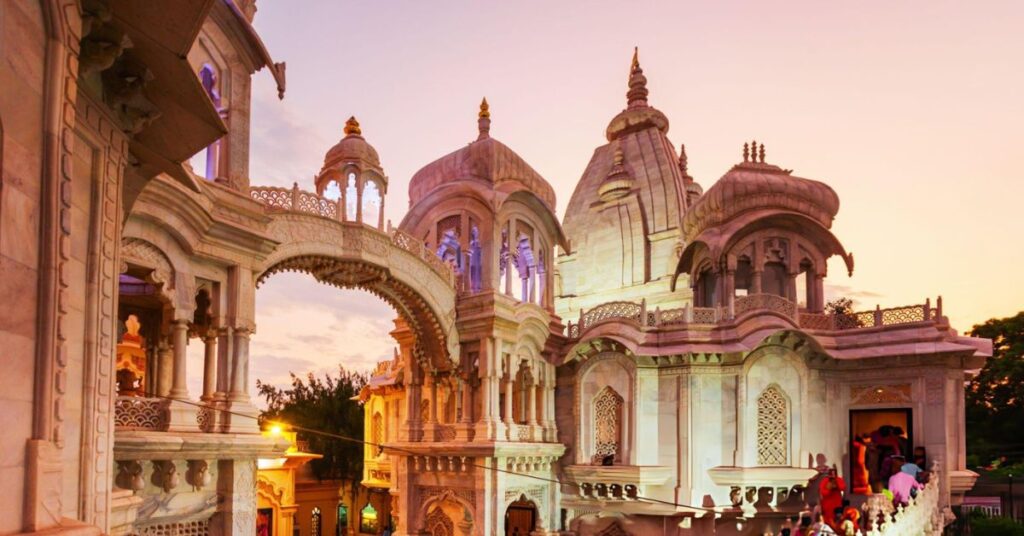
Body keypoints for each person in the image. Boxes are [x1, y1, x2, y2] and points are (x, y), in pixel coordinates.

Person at [818, 466, 845, 531]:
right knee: (828, 524)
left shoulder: (839, 479)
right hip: (827, 506)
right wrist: (829, 488)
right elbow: (823, 492)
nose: (833, 474)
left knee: (838, 522)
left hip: (837, 505)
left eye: (834, 472)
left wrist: (836, 483)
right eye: (831, 472)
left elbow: (843, 487)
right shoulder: (824, 481)